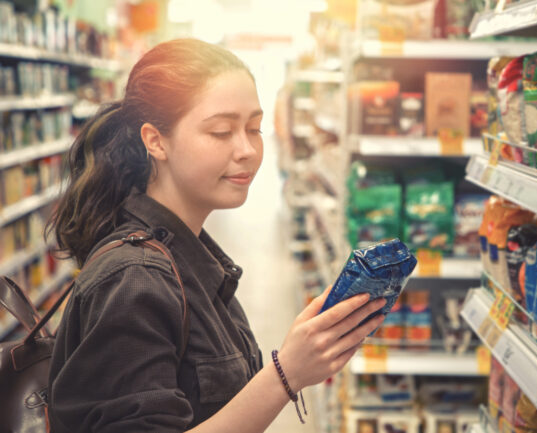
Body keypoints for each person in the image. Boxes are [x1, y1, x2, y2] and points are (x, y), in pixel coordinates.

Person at [47, 38, 386, 433]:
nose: (247, 149)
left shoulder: (187, 255)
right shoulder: (135, 279)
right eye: (221, 131)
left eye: (254, 128)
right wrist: (286, 374)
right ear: (156, 140)